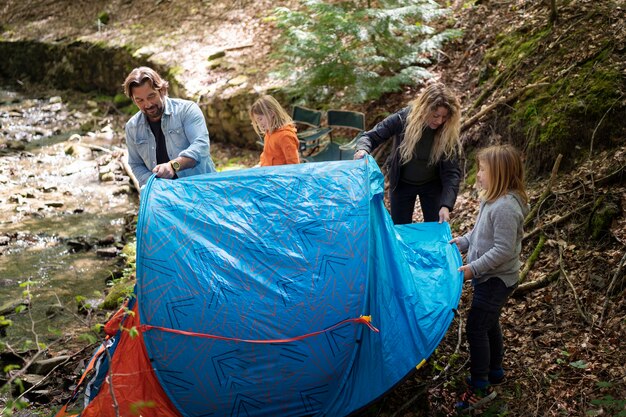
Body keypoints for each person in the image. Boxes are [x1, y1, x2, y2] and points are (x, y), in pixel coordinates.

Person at [449, 144, 529, 412]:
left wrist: (474, 268)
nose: (478, 174)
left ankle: (480, 386)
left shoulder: (506, 207)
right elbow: (480, 233)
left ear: (500, 173)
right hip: (489, 276)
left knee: (476, 327)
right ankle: (495, 370)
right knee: (489, 323)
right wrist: (462, 242)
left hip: (497, 280)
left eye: (482, 170)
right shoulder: (491, 199)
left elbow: (503, 250)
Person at [354, 82, 462, 224]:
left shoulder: (447, 131)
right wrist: (363, 149)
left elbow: (452, 172)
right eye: (435, 116)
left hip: (432, 185)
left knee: (435, 227)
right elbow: (370, 137)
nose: (439, 121)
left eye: (444, 117)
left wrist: (446, 205)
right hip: (402, 184)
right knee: (400, 229)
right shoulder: (403, 118)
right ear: (424, 109)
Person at [123, 66, 216, 187]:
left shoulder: (187, 110)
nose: (147, 104)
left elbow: (201, 147)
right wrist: (153, 185)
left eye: (151, 96)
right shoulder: (132, 127)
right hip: (163, 196)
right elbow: (136, 164)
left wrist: (173, 166)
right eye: (139, 100)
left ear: (161, 90)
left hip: (201, 188)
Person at [249, 95, 300, 166]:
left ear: (271, 113)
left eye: (260, 119)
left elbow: (294, 165)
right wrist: (259, 166)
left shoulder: (285, 136)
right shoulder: (269, 133)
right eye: (257, 121)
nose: (259, 124)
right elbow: (267, 155)